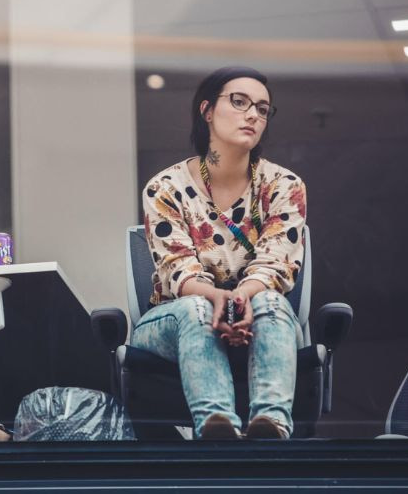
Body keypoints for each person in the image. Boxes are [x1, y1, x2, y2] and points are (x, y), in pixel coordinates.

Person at [131, 66, 307, 440]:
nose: (253, 115)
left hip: (259, 315)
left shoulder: (283, 185)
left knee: (272, 302)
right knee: (197, 308)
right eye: (239, 102)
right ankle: (217, 430)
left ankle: (271, 428)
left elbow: (276, 263)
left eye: (262, 108)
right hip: (176, 320)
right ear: (207, 111)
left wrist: (241, 297)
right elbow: (178, 271)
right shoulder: (166, 187)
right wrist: (216, 299)